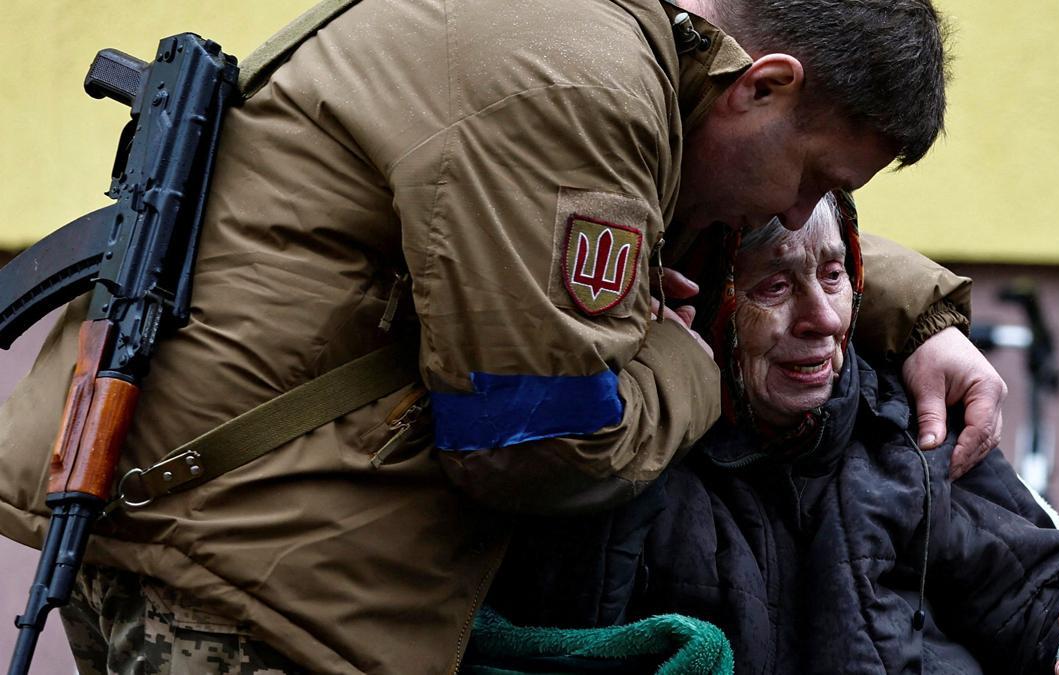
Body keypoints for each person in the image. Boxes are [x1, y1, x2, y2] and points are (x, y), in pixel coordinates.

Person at [0, 0, 1002, 672]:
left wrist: (906, 309)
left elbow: (651, 209)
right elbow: (539, 446)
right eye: (821, 182)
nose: (804, 211)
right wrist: (685, 374)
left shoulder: (601, 43)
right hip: (248, 583)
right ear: (763, 86)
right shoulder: (582, 89)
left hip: (210, 533)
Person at [484, 194, 1059, 674]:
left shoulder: (902, 426)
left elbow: (1043, 581)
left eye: (834, 274)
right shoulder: (626, 456)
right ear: (691, 300)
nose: (822, 317)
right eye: (772, 287)